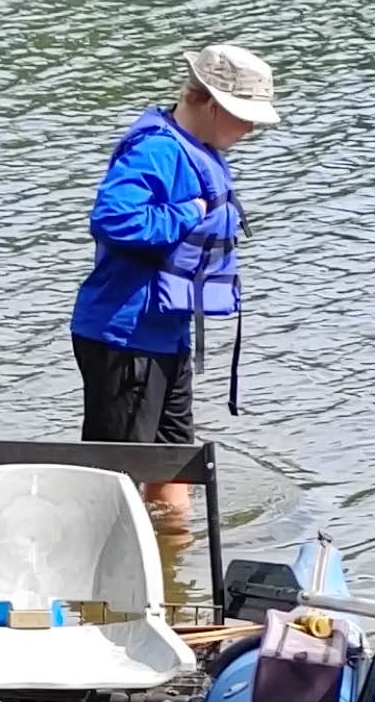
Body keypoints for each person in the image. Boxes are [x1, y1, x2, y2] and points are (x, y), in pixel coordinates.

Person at [68, 40, 278, 449]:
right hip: (124, 338)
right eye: (245, 117)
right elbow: (114, 218)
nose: (251, 130)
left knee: (177, 461)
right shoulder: (157, 150)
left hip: (166, 334)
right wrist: (191, 211)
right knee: (117, 475)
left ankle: (173, 519)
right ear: (214, 106)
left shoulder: (199, 149)